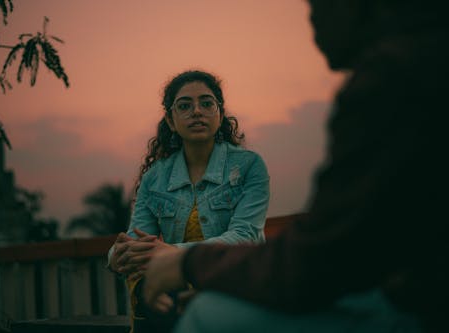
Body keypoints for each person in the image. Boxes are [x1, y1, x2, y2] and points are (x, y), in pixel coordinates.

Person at [142, 1, 449, 332]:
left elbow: (318, 257)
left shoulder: (394, 76)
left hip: (421, 307)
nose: (312, 17)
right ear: (170, 120)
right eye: (185, 106)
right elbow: (351, 247)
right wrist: (127, 253)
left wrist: (186, 261)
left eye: (318, 4)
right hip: (407, 288)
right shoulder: (421, 57)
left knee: (206, 316)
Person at [107, 70, 270, 332]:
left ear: (220, 113)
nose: (197, 111)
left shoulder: (249, 166)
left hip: (234, 284)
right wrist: (116, 256)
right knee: (158, 297)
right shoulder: (155, 179)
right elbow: (136, 240)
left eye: (206, 103)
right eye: (185, 106)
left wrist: (174, 254)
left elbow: (245, 235)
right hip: (177, 287)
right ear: (171, 121)